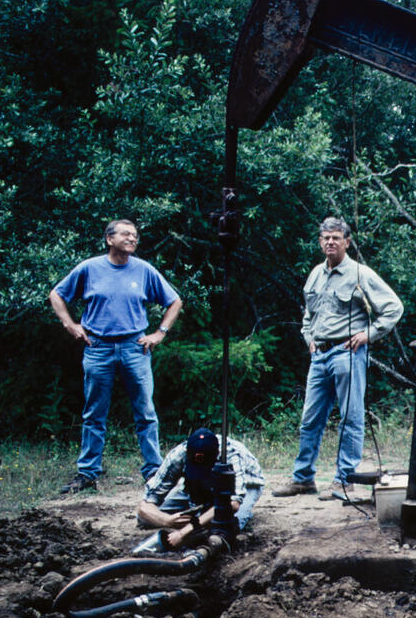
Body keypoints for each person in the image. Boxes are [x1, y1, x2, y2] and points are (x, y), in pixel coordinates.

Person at [272, 216, 403, 501]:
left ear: (347, 241)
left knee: (350, 418)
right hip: (319, 355)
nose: (330, 242)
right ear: (320, 242)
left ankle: (344, 481)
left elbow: (393, 307)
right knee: (310, 419)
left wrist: (369, 334)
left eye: (336, 238)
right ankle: (303, 478)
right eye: (326, 238)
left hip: (348, 354)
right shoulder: (316, 274)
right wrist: (309, 339)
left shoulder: (360, 274)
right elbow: (309, 315)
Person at [49, 219, 183, 493]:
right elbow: (57, 294)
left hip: (136, 348)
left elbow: (175, 300)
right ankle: (87, 475)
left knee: (145, 413)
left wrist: (160, 333)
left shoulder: (144, 270)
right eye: (126, 234)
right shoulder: (89, 268)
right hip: (98, 348)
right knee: (94, 413)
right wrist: (70, 325)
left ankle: (154, 474)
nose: (132, 238)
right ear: (109, 239)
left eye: (135, 235)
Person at [136, 428, 265, 550]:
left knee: (225, 524)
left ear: (217, 454)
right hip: (200, 486)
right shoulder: (179, 454)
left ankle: (219, 516)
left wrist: (184, 532)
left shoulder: (230, 455)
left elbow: (232, 503)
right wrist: (167, 520)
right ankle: (205, 509)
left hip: (247, 484)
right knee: (146, 519)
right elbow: (144, 507)